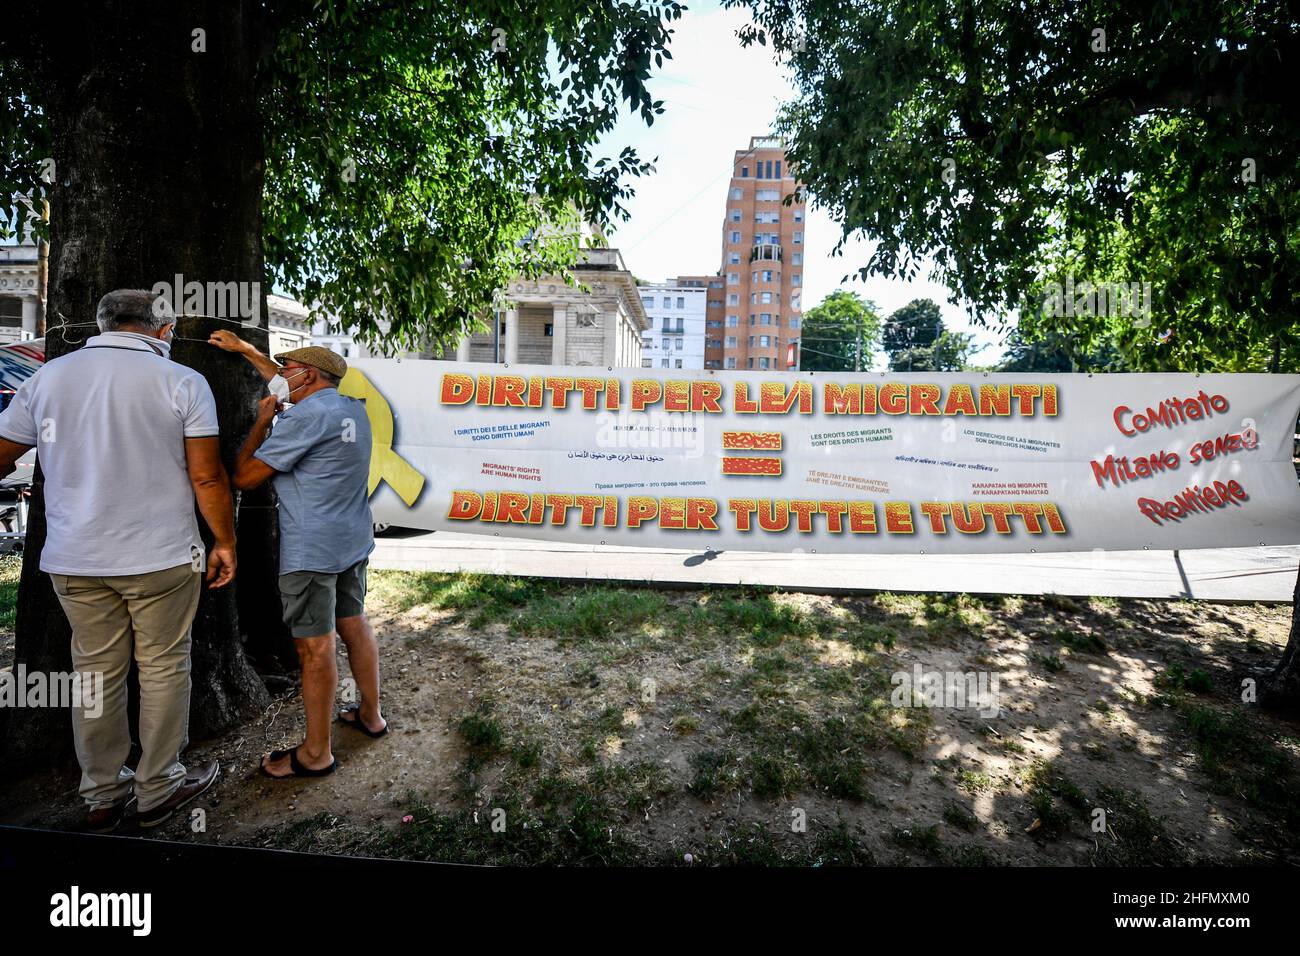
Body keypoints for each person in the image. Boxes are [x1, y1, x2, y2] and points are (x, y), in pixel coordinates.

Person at [0, 289, 231, 831]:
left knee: (95, 674)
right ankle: (160, 787)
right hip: (161, 557)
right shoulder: (183, 382)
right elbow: (206, 475)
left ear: (102, 324)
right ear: (162, 329)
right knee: (164, 668)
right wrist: (226, 541)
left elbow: (3, 453)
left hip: (75, 559)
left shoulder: (49, 378)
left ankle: (102, 793)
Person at [212, 333, 384, 779]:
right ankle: (371, 715)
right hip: (351, 539)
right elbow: (293, 388)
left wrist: (261, 425)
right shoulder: (350, 409)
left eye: (287, 369)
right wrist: (249, 353)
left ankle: (315, 754)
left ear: (307, 375)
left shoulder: (301, 419)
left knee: (314, 648)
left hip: (312, 550)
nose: (279, 376)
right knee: (354, 623)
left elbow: (245, 478)